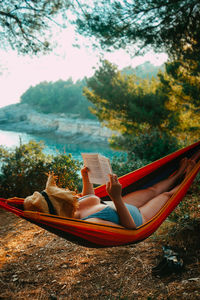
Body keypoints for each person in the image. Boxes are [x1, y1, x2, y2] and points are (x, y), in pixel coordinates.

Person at [75, 152, 199, 229]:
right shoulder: (91, 222)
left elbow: (89, 198)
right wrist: (116, 198)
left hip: (121, 204)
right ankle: (187, 178)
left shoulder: (73, 205)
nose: (73, 194)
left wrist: (86, 179)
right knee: (167, 195)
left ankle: (178, 174)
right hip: (139, 217)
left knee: (153, 190)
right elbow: (130, 228)